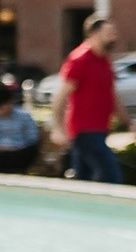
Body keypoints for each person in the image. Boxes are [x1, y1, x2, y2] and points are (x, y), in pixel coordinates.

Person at [49, 14, 128, 183]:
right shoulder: (80, 60)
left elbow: (112, 95)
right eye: (109, 32)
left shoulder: (105, 61)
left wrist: (128, 122)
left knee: (82, 181)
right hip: (84, 131)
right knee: (112, 178)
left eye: (114, 32)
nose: (114, 37)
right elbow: (61, 96)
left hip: (100, 129)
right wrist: (57, 128)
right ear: (93, 33)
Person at [0, 86, 42, 174]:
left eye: (2, 107)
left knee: (24, 154)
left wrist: (9, 147)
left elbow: (32, 140)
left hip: (17, 151)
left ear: (10, 103)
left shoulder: (24, 116)